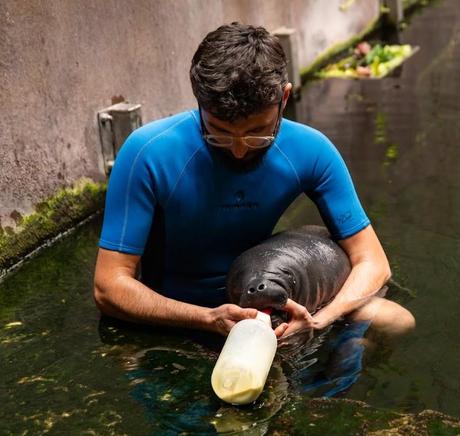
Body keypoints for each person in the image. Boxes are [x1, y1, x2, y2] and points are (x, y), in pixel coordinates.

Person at [93, 22, 415, 341]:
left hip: (269, 301)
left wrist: (321, 320)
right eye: (219, 132)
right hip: (178, 312)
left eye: (256, 132)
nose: (238, 149)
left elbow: (373, 262)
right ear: (199, 102)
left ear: (284, 99)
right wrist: (206, 318)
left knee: (395, 320)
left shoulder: (311, 151)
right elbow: (109, 287)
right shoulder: (147, 153)